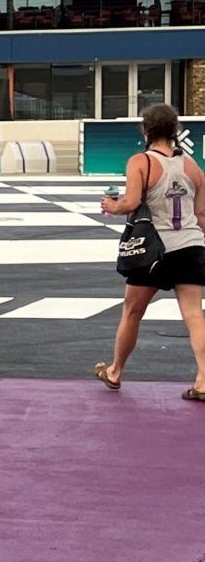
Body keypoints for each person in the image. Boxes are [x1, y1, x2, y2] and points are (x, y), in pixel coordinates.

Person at [95, 104, 205, 397]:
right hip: (191, 245)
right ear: (175, 131)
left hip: (154, 251)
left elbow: (130, 203)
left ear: (146, 130)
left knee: (132, 312)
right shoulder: (192, 165)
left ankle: (115, 371)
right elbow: (202, 214)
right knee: (194, 315)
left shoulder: (141, 162)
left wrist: (111, 206)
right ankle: (204, 379)